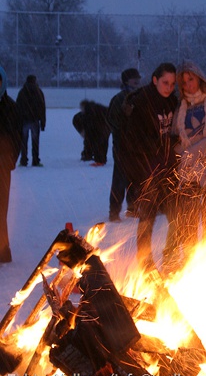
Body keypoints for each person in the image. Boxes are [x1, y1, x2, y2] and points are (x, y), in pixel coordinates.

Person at [119, 63, 178, 271]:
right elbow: (132, 140)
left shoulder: (172, 101)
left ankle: (171, 256)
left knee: (176, 213)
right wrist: (143, 171)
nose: (168, 87)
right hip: (147, 169)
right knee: (147, 217)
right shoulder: (143, 102)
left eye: (172, 83)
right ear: (155, 80)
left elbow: (171, 133)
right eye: (165, 82)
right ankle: (144, 259)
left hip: (167, 168)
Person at [171, 60, 206, 269]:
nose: (188, 85)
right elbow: (176, 137)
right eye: (184, 82)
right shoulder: (182, 107)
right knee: (187, 217)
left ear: (200, 77)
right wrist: (181, 153)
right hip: (190, 169)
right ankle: (189, 260)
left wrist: (192, 151)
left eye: (191, 79)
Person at [107, 68, 141, 222]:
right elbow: (113, 121)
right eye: (134, 79)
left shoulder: (139, 97)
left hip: (135, 146)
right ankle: (114, 212)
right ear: (126, 81)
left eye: (138, 79)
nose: (137, 81)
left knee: (135, 178)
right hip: (122, 146)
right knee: (119, 180)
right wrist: (125, 117)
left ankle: (132, 208)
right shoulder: (119, 98)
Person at [0, 66, 22, 263]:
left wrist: (9, 160)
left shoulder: (10, 107)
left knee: (1, 208)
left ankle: (2, 250)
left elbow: (17, 138)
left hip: (1, 167)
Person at [16, 74, 46, 167]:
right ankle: (35, 160)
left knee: (23, 142)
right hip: (35, 120)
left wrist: (17, 122)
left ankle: (24, 160)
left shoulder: (22, 92)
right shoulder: (39, 92)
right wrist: (43, 122)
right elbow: (42, 107)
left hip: (24, 121)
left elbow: (17, 107)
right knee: (35, 142)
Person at [72, 100, 111, 165]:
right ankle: (89, 155)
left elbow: (99, 139)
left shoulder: (93, 113)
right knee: (93, 138)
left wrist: (100, 159)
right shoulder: (85, 114)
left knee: (98, 139)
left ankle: (96, 157)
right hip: (104, 123)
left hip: (105, 123)